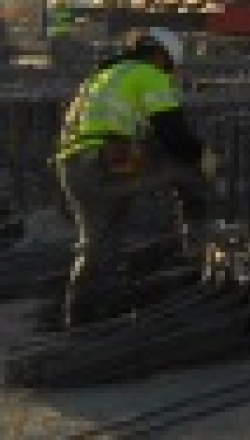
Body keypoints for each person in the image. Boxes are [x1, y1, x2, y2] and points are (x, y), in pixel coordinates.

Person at [54, 27, 218, 328]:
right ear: (160, 55)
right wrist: (201, 155)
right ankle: (196, 249)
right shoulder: (148, 74)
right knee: (189, 170)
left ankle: (81, 319)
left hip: (73, 168)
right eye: (170, 67)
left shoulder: (103, 75)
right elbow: (173, 134)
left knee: (99, 245)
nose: (170, 75)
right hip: (104, 164)